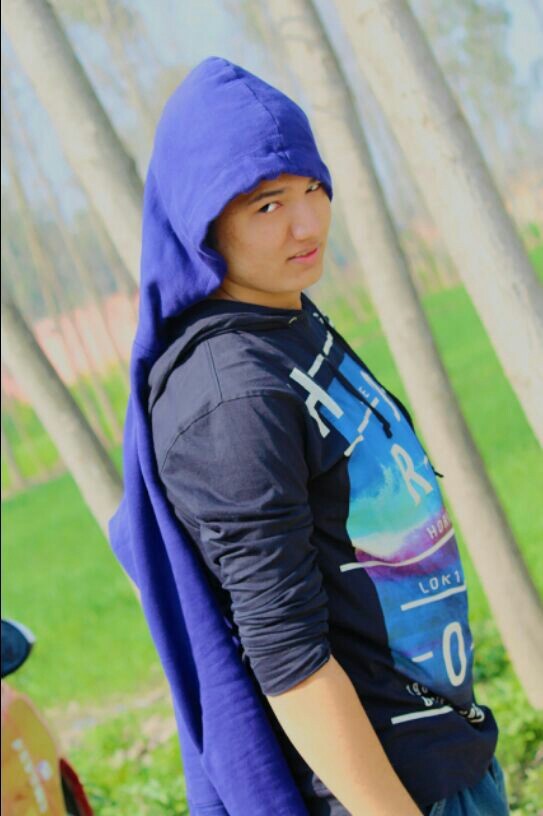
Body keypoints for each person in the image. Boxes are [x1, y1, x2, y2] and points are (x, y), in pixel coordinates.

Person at [109, 56, 508, 815]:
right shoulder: (230, 395)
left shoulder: (284, 315)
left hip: (446, 755)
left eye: (313, 189)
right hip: (386, 793)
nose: (308, 224)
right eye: (268, 205)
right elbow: (287, 654)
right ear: (202, 222)